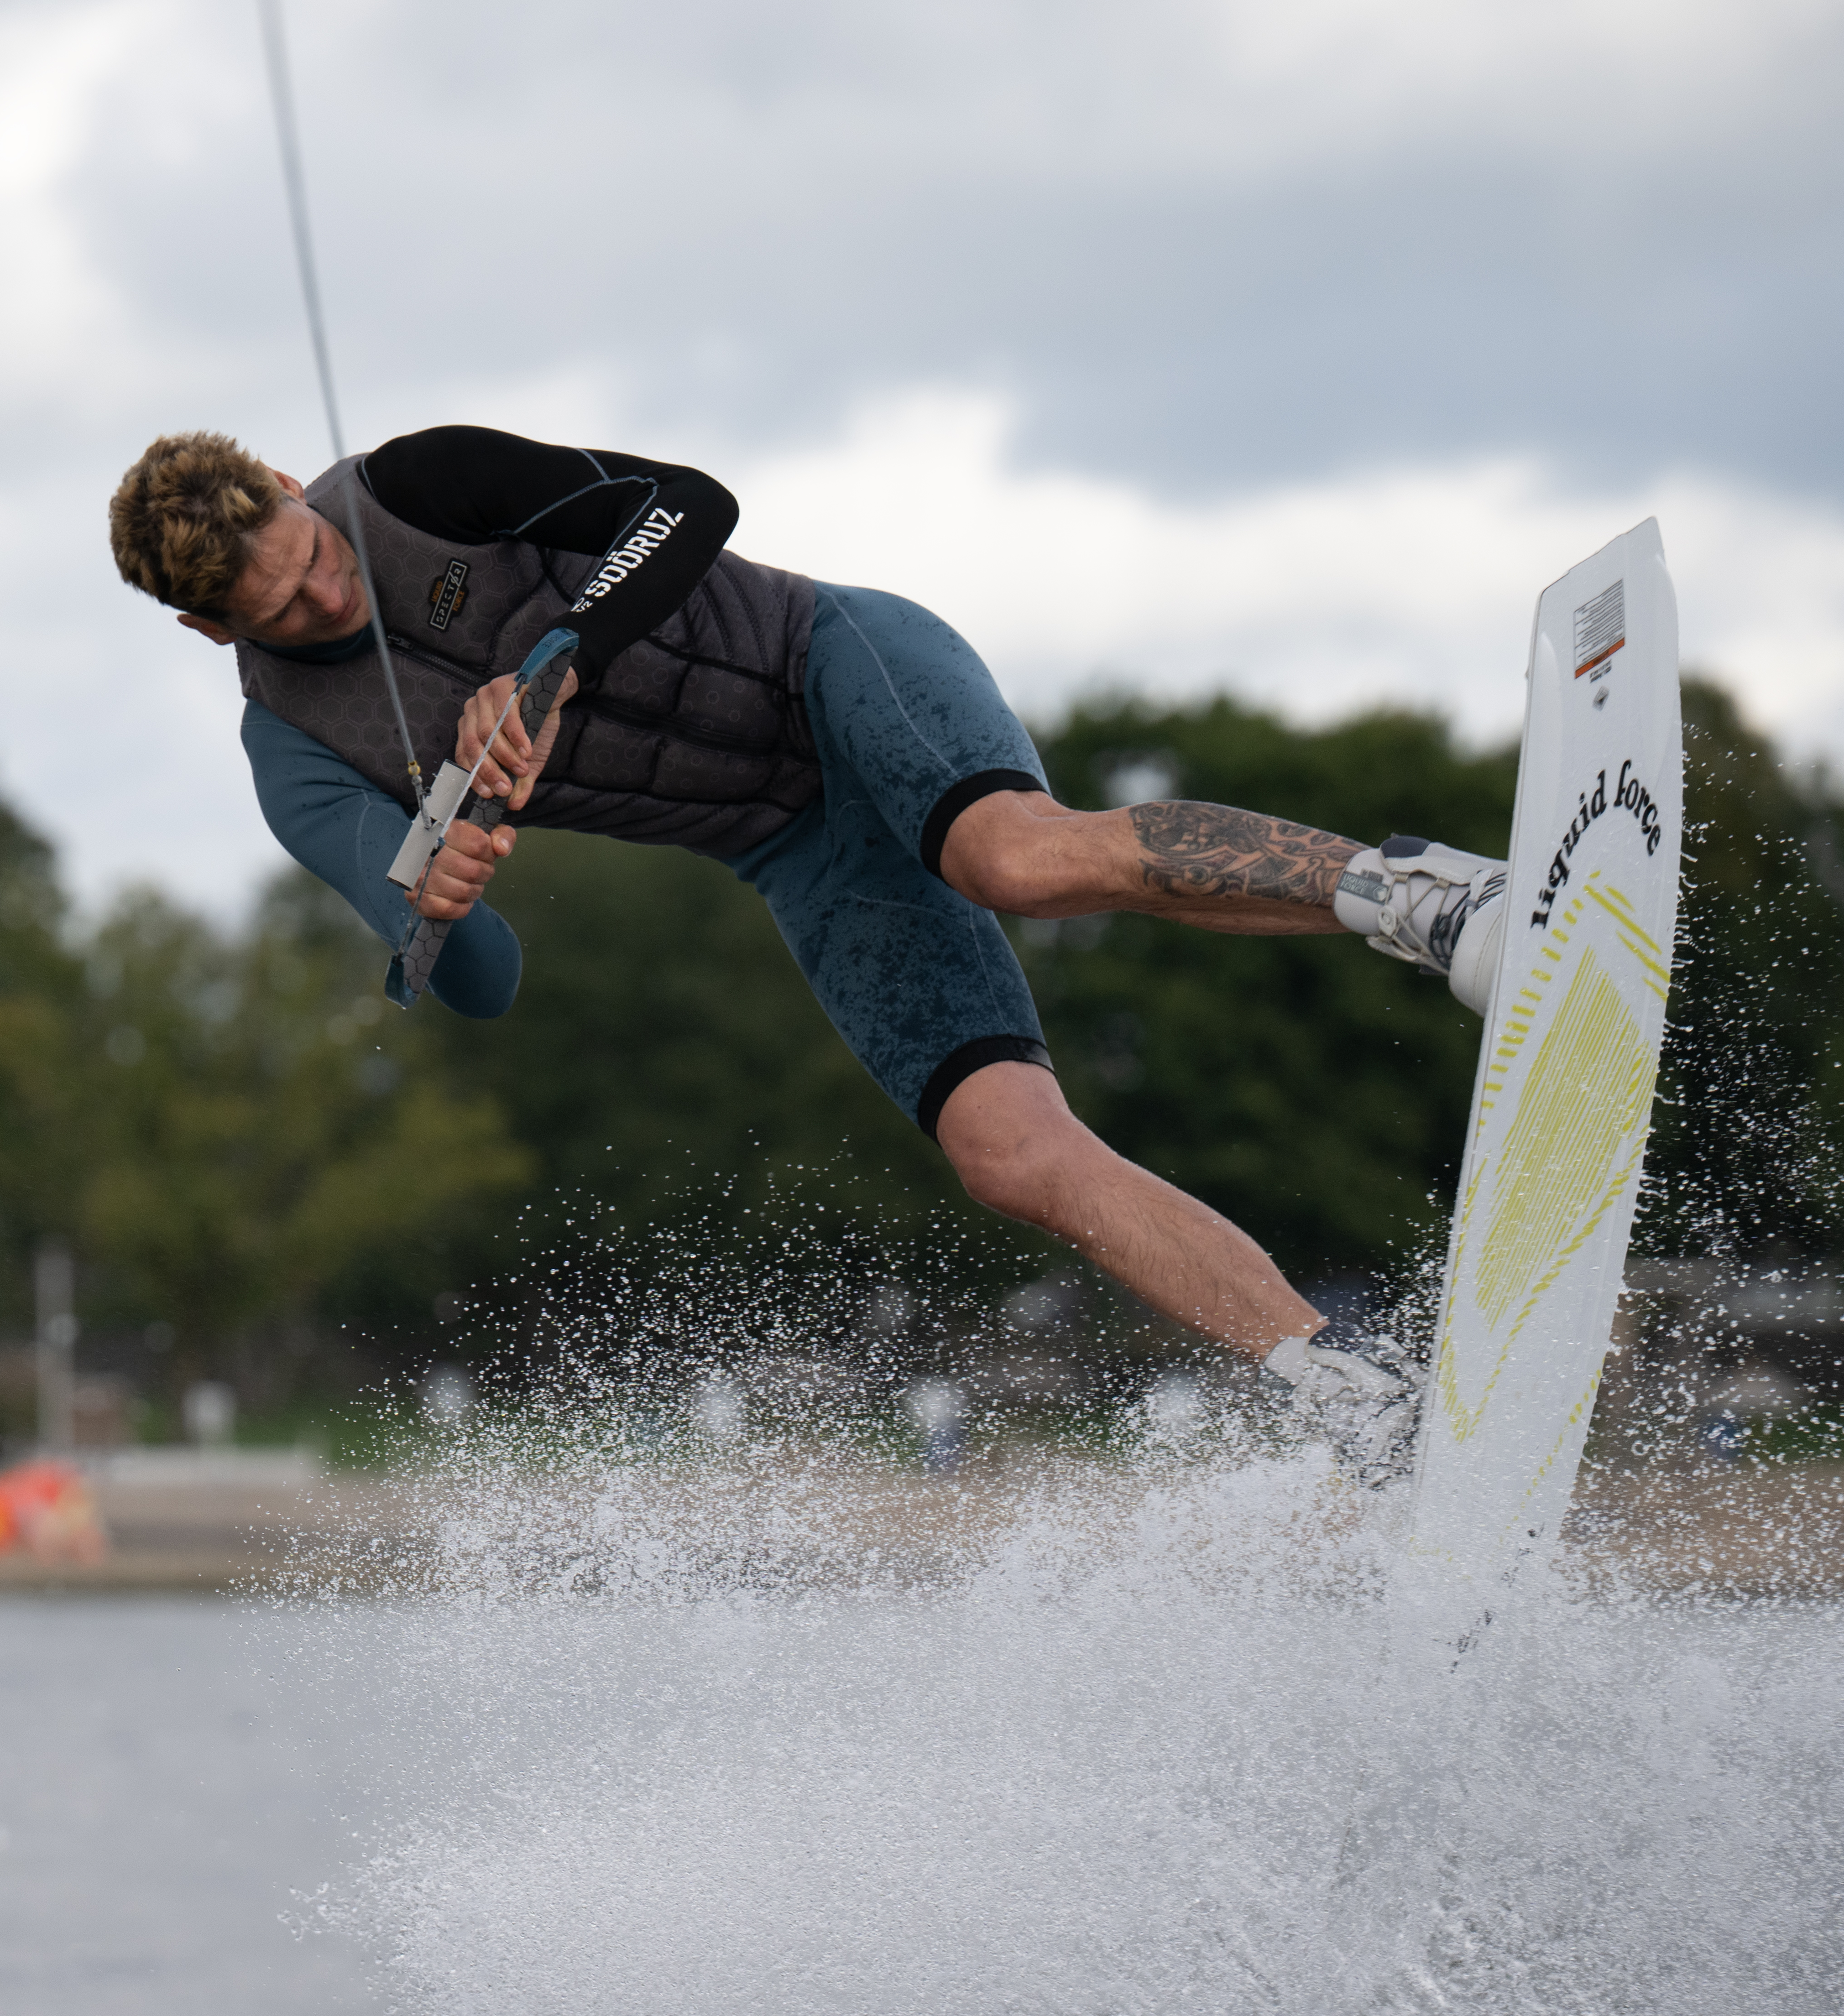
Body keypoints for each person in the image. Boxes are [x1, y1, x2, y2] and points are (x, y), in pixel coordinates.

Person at [110, 426, 1506, 1485]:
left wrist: (549, 657)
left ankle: (1436, 903)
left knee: (1009, 856)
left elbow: (686, 509)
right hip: (792, 843)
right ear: (201, 628)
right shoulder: (295, 757)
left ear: (296, 491)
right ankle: (1357, 1395)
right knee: (1007, 1156)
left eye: (314, 560)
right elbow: (478, 983)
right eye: (275, 613)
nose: (324, 602)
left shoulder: (420, 481)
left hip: (830, 660)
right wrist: (449, 901)